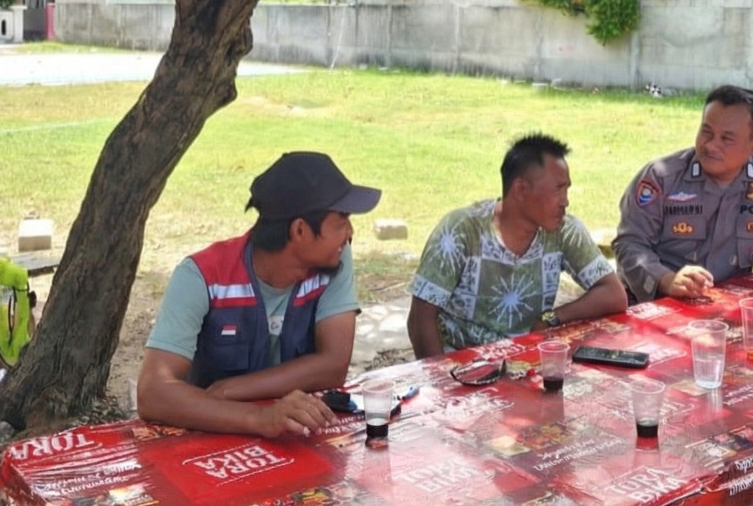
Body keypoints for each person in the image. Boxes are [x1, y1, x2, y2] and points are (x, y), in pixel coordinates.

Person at [136, 151, 380, 438]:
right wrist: (260, 418)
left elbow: (333, 365)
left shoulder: (335, 261)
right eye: (341, 221)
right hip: (213, 439)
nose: (350, 233)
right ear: (300, 230)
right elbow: (153, 392)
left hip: (298, 435)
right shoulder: (200, 276)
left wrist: (229, 390)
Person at [407, 134, 627, 357]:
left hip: (528, 363)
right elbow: (420, 319)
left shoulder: (564, 231)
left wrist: (552, 317)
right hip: (461, 366)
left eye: (567, 189)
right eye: (558, 189)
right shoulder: (460, 231)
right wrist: (440, 383)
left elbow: (614, 294)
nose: (565, 201)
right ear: (521, 190)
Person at [614, 85, 753, 307]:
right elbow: (630, 244)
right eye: (706, 132)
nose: (710, 145)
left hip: (731, 307)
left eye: (726, 138)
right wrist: (666, 280)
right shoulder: (661, 178)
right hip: (659, 305)